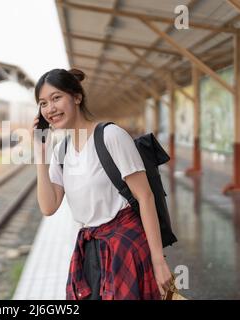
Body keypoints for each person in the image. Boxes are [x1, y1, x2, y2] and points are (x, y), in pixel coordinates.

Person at [30, 68, 173, 300]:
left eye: (56, 98)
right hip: (91, 251)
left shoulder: (110, 136)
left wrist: (158, 261)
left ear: (77, 97)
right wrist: (40, 155)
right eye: (43, 103)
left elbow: (145, 197)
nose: (50, 109)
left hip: (126, 245)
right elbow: (48, 207)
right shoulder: (61, 152)